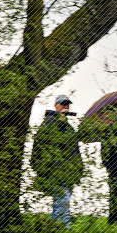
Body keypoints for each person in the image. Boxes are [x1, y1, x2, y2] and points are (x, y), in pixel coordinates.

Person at [31, 95, 87, 225]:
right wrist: (44, 170)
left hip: (68, 174)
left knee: (62, 204)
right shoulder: (48, 124)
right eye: (62, 104)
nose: (65, 106)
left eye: (67, 104)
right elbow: (38, 149)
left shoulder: (69, 128)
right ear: (56, 106)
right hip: (55, 173)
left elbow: (75, 151)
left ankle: (54, 231)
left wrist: (79, 169)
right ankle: (62, 231)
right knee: (62, 204)